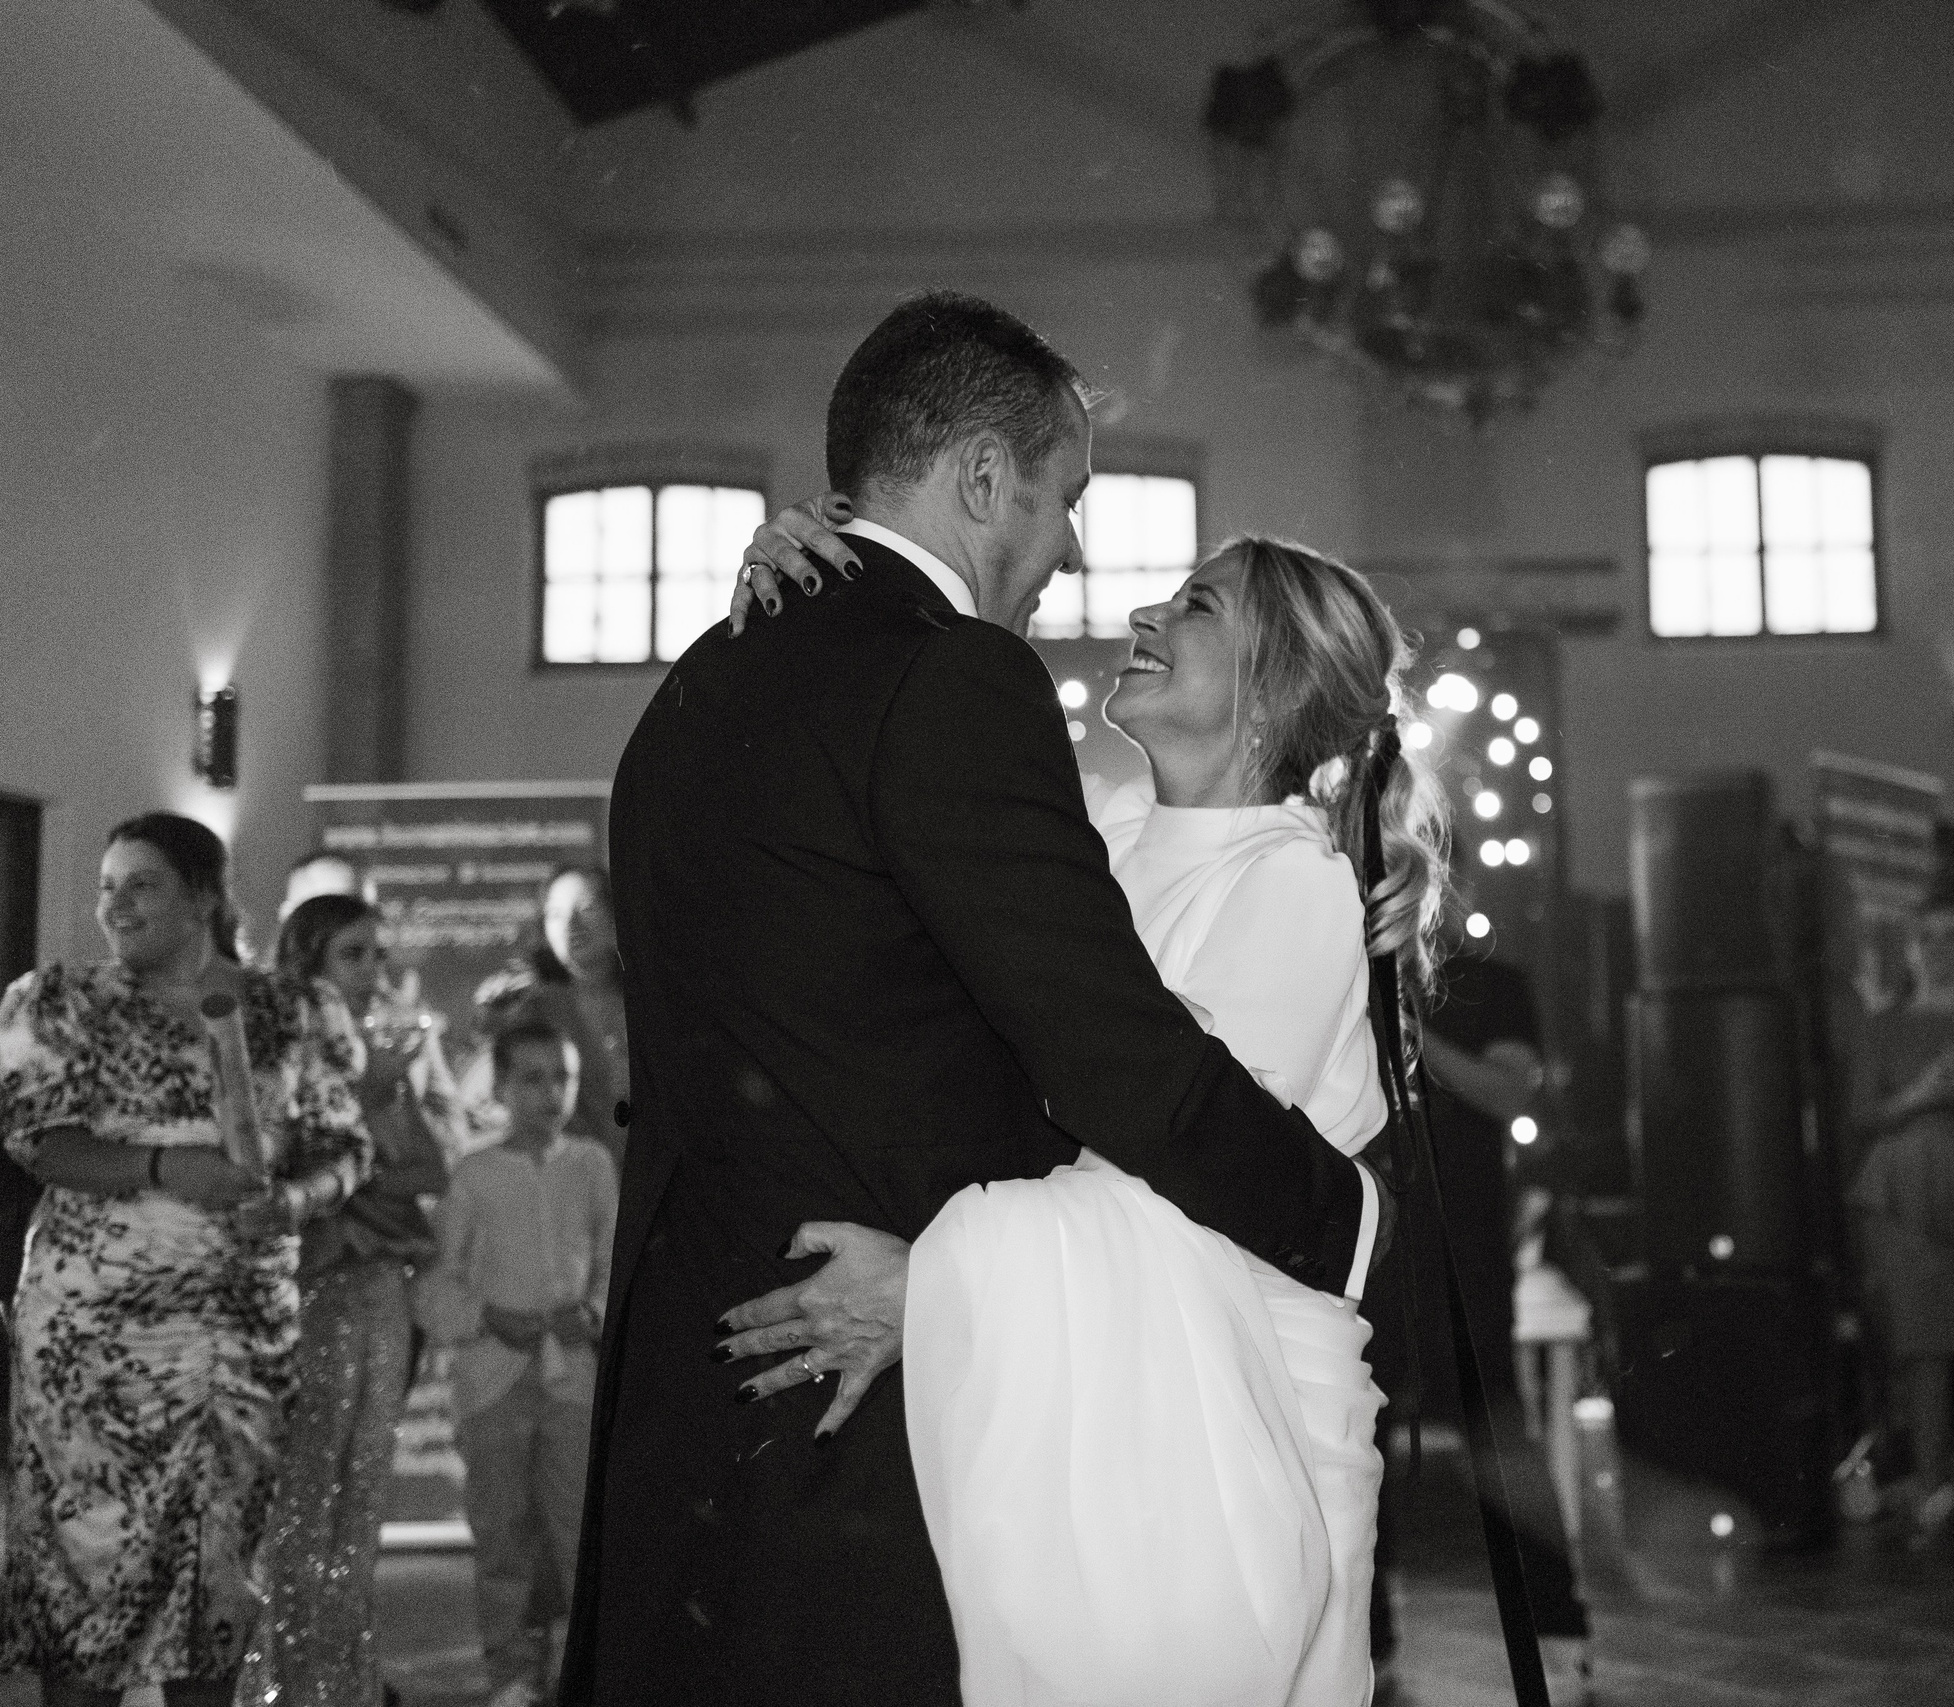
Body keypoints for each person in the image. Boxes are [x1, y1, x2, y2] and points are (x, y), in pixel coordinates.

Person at [564, 293, 1386, 1707]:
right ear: (982, 480)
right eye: (1065, 497)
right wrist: (1355, 1220)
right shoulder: (951, 675)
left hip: (707, 1368)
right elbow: (1111, 1053)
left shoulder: (702, 678)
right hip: (859, 1407)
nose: (1079, 554)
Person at [0, 812, 370, 1707]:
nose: (115, 905)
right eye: (106, 886)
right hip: (96, 1340)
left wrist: (290, 1199)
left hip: (237, 1339)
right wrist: (168, 1167)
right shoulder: (60, 1002)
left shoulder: (293, 1006)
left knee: (219, 1574)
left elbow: (344, 1150)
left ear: (204, 894)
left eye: (141, 883)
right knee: (84, 1577)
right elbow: (36, 1144)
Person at [239, 894, 455, 1707]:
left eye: (377, 955)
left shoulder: (381, 1063)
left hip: (381, 1291)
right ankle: (282, 1682)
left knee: (363, 1493)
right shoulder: (289, 1055)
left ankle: (345, 1678)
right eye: (353, 955)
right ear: (310, 965)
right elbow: (295, 1177)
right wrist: (360, 1156)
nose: (373, 973)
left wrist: (362, 1169)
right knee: (301, 1496)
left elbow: (425, 1173)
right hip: (313, 1291)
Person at [1374, 933, 1592, 1699]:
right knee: (1350, 1430)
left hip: (1462, 1242)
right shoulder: (1324, 955)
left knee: (1494, 1423)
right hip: (1362, 1236)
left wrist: (1412, 1035)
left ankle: (1556, 1620)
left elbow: (1511, 1092)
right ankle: (1366, 1640)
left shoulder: (1490, 982)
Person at [420, 1020, 616, 1707]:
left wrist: (591, 1312)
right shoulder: (475, 1172)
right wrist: (485, 1317)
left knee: (576, 1531)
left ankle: (576, 1669)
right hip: (492, 1380)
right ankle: (511, 1673)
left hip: (574, 1378)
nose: (549, 1093)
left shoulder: (590, 1164)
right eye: (531, 1078)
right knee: (502, 1531)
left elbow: (614, 1256)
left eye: (560, 1077)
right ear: (499, 1086)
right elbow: (438, 1281)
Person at [1848, 894, 1954, 1562]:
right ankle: (1933, 1502)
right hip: (1903, 1194)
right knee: (1924, 1355)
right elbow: (1863, 1116)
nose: (1942, 948)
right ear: (1910, 950)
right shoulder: (1883, 1028)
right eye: (1929, 936)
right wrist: (1921, 1092)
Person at [472, 867, 628, 1169]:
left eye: (588, 909)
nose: (572, 924)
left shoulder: (657, 1002)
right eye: (555, 914)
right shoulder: (532, 1009)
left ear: (616, 916)